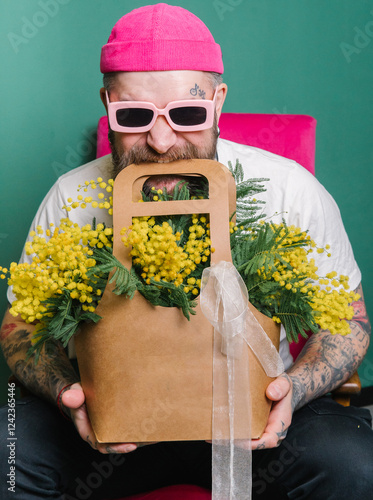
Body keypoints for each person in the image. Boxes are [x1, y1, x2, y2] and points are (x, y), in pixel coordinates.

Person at [0, 4, 372, 499]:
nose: (160, 140)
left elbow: (348, 321)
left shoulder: (291, 190)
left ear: (218, 102)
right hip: (115, 430)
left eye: (187, 114)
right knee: (6, 452)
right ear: (107, 104)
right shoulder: (73, 197)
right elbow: (20, 326)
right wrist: (69, 396)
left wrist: (293, 392)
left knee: (353, 465)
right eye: (133, 115)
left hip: (252, 425)